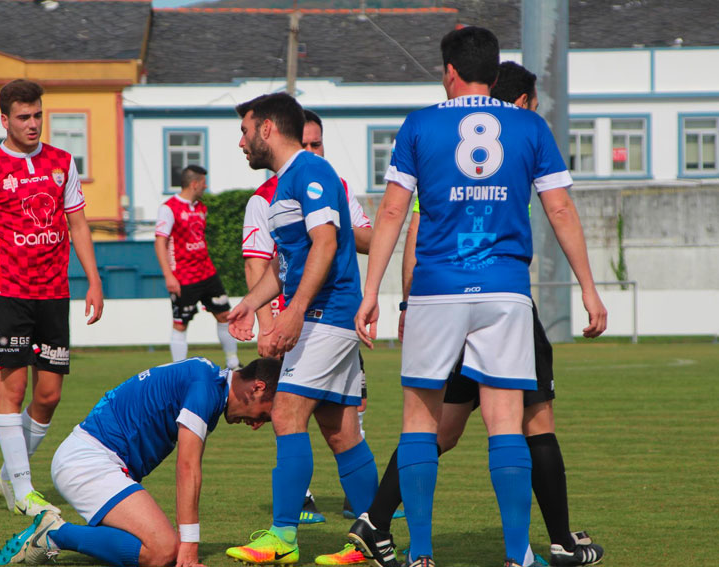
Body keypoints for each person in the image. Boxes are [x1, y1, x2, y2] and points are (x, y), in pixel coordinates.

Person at [353, 27, 607, 567]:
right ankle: (518, 555)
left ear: (449, 71)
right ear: (494, 74)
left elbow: (394, 212)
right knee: (506, 421)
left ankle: (421, 554)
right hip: (505, 291)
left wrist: (371, 292)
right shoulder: (530, 125)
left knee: (420, 422)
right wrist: (588, 288)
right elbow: (560, 209)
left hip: (436, 290)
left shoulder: (419, 124)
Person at [226, 93, 378, 565]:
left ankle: (283, 536)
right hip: (324, 313)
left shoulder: (311, 172)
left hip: (328, 313)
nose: (241, 142)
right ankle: (374, 540)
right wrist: (250, 304)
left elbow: (326, 244)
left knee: (286, 413)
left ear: (267, 128)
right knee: (341, 431)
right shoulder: (283, 185)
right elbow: (287, 264)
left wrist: (295, 312)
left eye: (246, 131)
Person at [0, 78, 104, 518]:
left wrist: (94, 280)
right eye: (24, 117)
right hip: (9, 292)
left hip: (54, 291)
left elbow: (78, 224)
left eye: (38, 114)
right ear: (5, 120)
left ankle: (9, 472)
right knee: (14, 388)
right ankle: (23, 490)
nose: (33, 123)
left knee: (50, 395)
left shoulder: (62, 162)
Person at [0, 356, 282, 567]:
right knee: (163, 551)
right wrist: (190, 547)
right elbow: (187, 468)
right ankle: (55, 533)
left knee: (162, 547)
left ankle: (63, 534)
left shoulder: (209, 382)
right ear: (257, 388)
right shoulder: (205, 387)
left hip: (95, 458)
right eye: (264, 415)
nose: (257, 425)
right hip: (87, 461)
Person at [155, 165, 240, 370]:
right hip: (183, 277)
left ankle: (233, 364)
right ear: (194, 184)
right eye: (203, 182)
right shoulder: (169, 208)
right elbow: (160, 242)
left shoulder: (202, 208)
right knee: (180, 323)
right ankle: (178, 371)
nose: (205, 186)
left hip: (207, 273)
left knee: (225, 315)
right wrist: (168, 275)